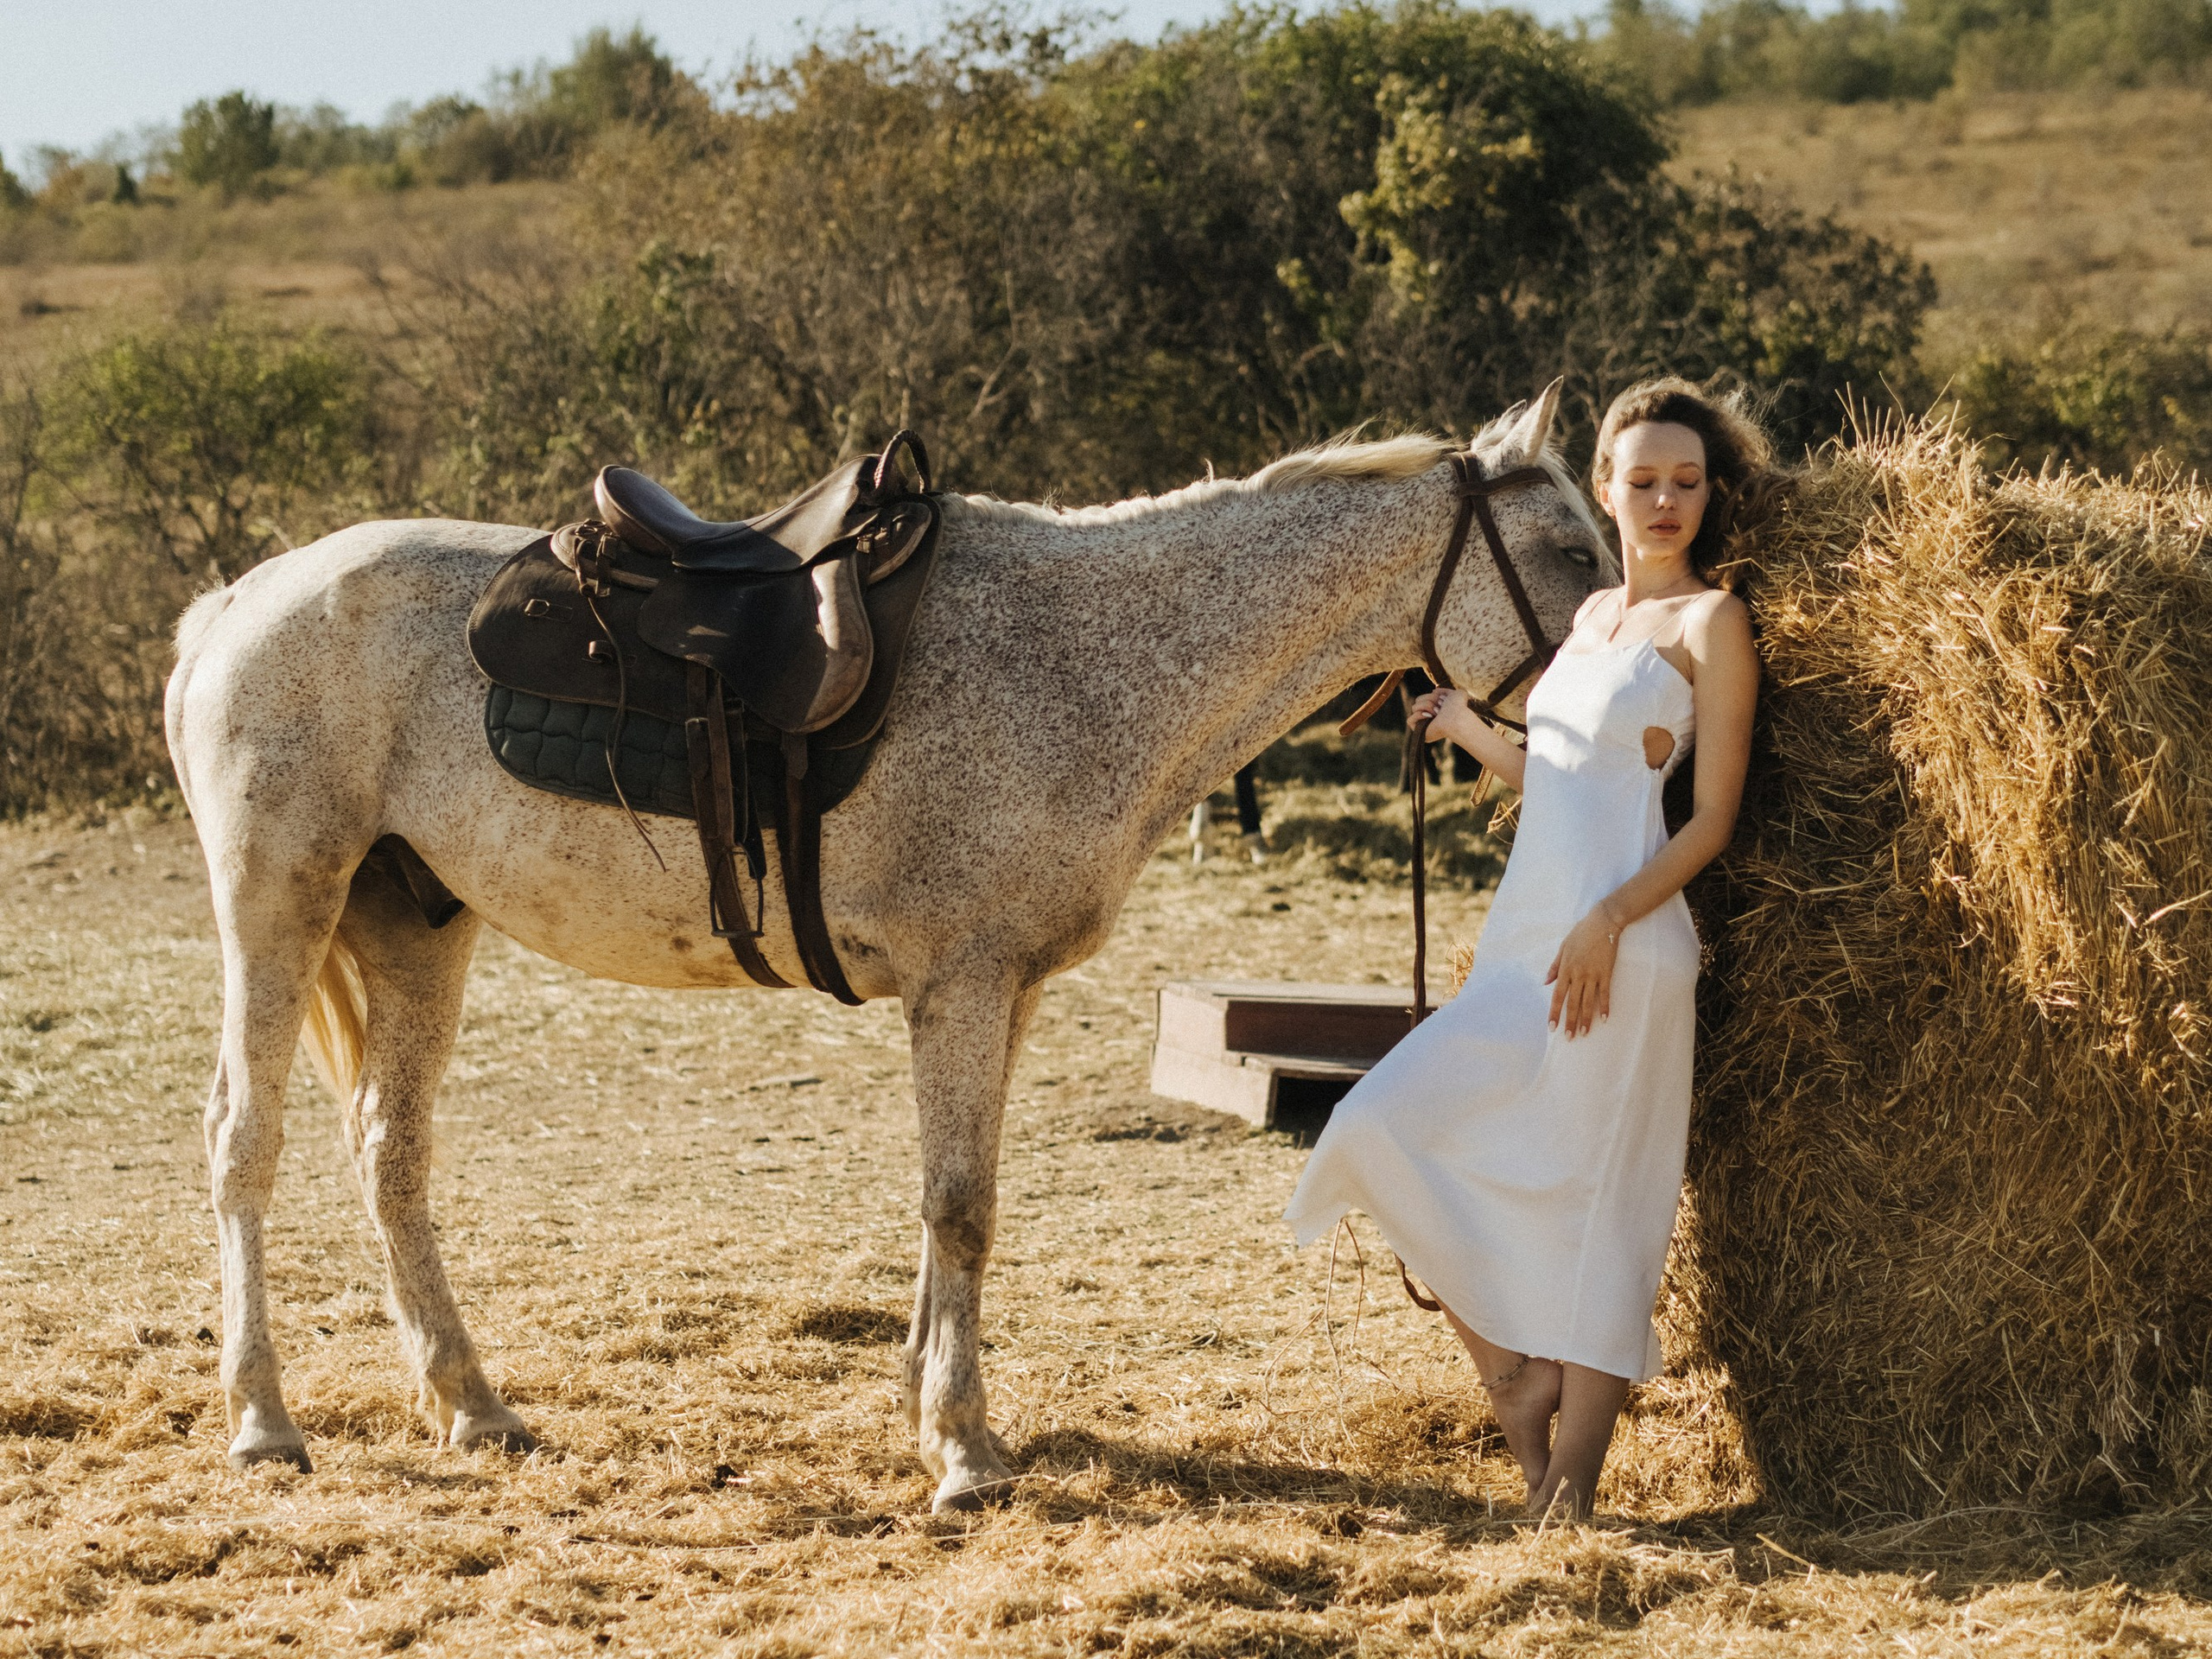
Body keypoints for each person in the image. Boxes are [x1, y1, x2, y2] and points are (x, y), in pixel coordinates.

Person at [1281, 378, 1769, 1518]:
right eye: (1641, 480)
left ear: (1709, 493)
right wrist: (1470, 731)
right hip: (1527, 942)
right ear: (1603, 490)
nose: (1662, 501)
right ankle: (1512, 1374)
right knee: (1379, 1123)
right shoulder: (1593, 620)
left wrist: (1608, 918)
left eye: (1684, 482)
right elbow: (1563, 780)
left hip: (1629, 946)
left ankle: (1569, 1495)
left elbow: (1709, 822)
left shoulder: (1712, 625)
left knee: (1608, 1202)